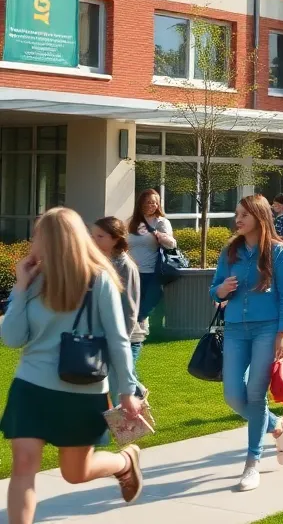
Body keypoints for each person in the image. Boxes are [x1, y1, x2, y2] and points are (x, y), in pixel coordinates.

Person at [2, 208, 146, 520]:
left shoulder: (100, 279)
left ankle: (125, 462)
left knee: (75, 473)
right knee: (23, 467)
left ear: (54, 240)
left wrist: (126, 392)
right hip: (31, 387)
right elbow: (12, 339)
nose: (33, 242)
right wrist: (20, 287)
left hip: (83, 390)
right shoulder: (34, 279)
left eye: (38, 235)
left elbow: (118, 338)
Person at [210, 195, 283, 491]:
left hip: (266, 331)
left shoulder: (278, 252)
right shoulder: (230, 251)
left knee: (256, 396)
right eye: (236, 214)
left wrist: (282, 334)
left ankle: (252, 463)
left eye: (243, 214)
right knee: (233, 396)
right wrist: (220, 289)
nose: (238, 220)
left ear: (259, 217)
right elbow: (215, 290)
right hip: (234, 329)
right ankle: (276, 426)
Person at [90, 218, 146, 368]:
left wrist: (120, 345)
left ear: (115, 239)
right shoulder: (97, 262)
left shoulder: (126, 266)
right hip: (103, 336)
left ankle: (137, 391)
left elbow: (129, 309)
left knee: (123, 384)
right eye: (92, 236)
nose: (94, 241)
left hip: (127, 338)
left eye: (100, 237)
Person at [126, 188, 177, 321]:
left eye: (154, 203)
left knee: (145, 308)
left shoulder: (161, 222)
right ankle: (137, 333)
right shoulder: (132, 223)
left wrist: (159, 235)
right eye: (147, 202)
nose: (151, 205)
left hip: (151, 272)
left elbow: (171, 244)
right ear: (140, 204)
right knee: (132, 306)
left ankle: (142, 334)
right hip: (132, 271)